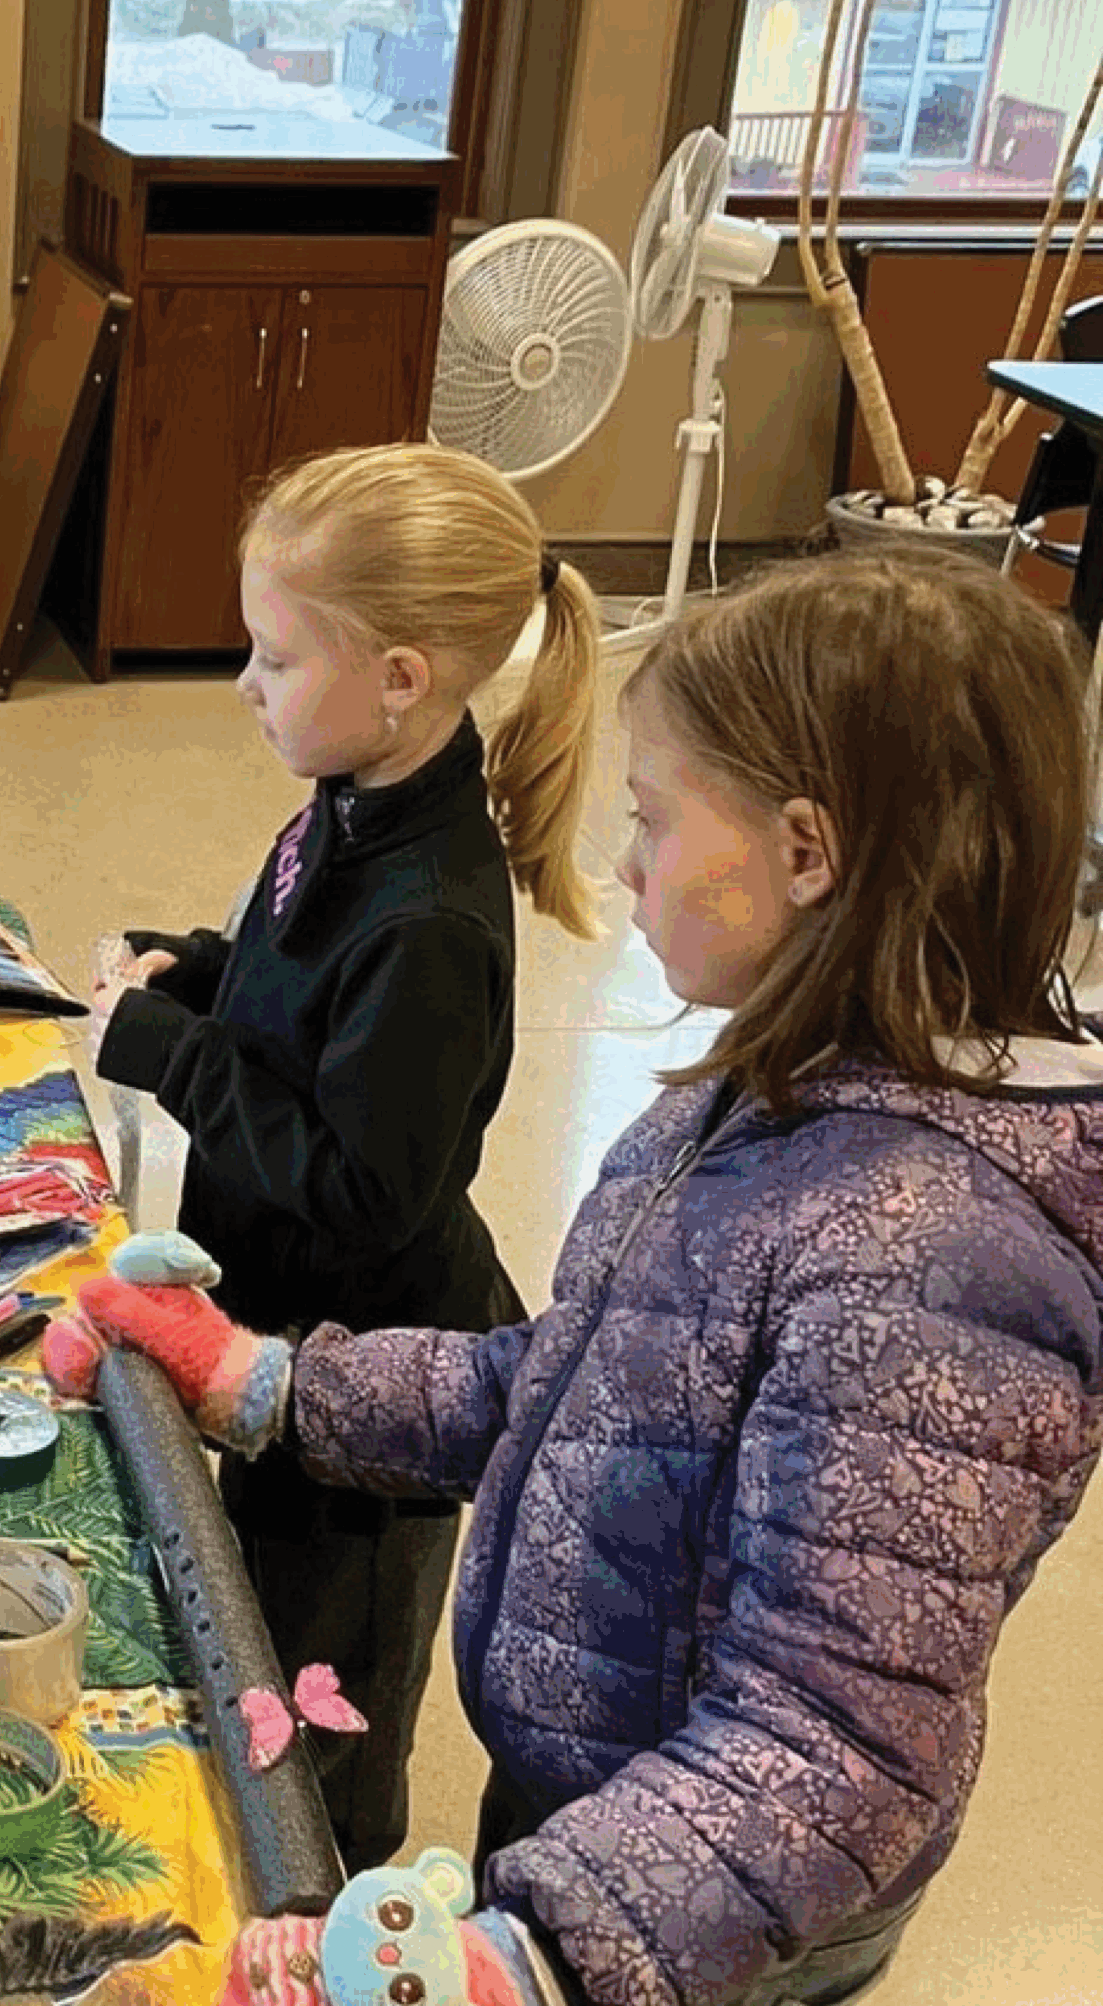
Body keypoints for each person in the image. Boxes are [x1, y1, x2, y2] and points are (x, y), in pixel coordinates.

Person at [56, 549, 1103, 2006]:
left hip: (712, 1914)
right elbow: (579, 1383)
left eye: (654, 820)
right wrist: (268, 1380)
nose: (623, 865)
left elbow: (833, 1754)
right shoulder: (766, 1093)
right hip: (603, 1829)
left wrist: (528, 1956)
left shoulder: (927, 1266)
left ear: (808, 852)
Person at [87, 442, 602, 1870]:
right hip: (284, 1321)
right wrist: (197, 969)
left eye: (274, 654)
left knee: (324, 1724)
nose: (246, 682)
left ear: (402, 675)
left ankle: (335, 1913)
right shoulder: (354, 797)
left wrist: (169, 1053)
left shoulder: (433, 912)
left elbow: (369, 1186)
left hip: (369, 1393)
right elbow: (293, 996)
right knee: (256, 1639)